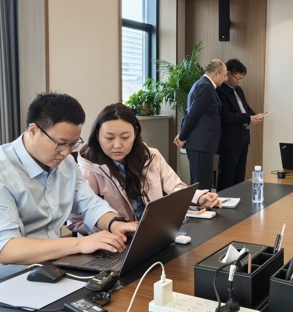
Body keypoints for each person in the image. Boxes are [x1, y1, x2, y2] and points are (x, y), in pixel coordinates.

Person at [0, 93, 128, 279]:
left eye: (73, 144)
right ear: (33, 130)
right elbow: (7, 249)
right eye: (61, 144)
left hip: (51, 267)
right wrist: (81, 244)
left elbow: (90, 203)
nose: (66, 152)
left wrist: (116, 224)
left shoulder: (66, 163)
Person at [67, 103, 222, 235]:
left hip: (153, 235)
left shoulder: (151, 156)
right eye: (109, 138)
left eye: (125, 137)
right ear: (97, 135)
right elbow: (76, 222)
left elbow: (175, 187)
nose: (117, 145)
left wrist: (198, 197)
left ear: (135, 133)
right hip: (114, 243)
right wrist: (117, 228)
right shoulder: (88, 169)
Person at [174, 59, 227, 190]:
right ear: (216, 73)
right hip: (201, 144)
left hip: (201, 144)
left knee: (201, 182)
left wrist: (182, 134)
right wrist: (182, 136)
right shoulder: (205, 86)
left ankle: (201, 203)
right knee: (202, 184)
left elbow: (191, 113)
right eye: (224, 75)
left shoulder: (202, 84)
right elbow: (193, 114)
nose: (225, 79)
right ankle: (200, 204)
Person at [216, 58, 264, 191]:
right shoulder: (220, 91)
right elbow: (226, 116)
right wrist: (248, 118)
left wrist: (255, 115)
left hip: (243, 137)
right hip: (229, 140)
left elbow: (245, 107)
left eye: (242, 78)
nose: (239, 81)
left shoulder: (238, 90)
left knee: (239, 175)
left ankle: (237, 199)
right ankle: (223, 200)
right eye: (238, 78)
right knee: (227, 175)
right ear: (228, 74)